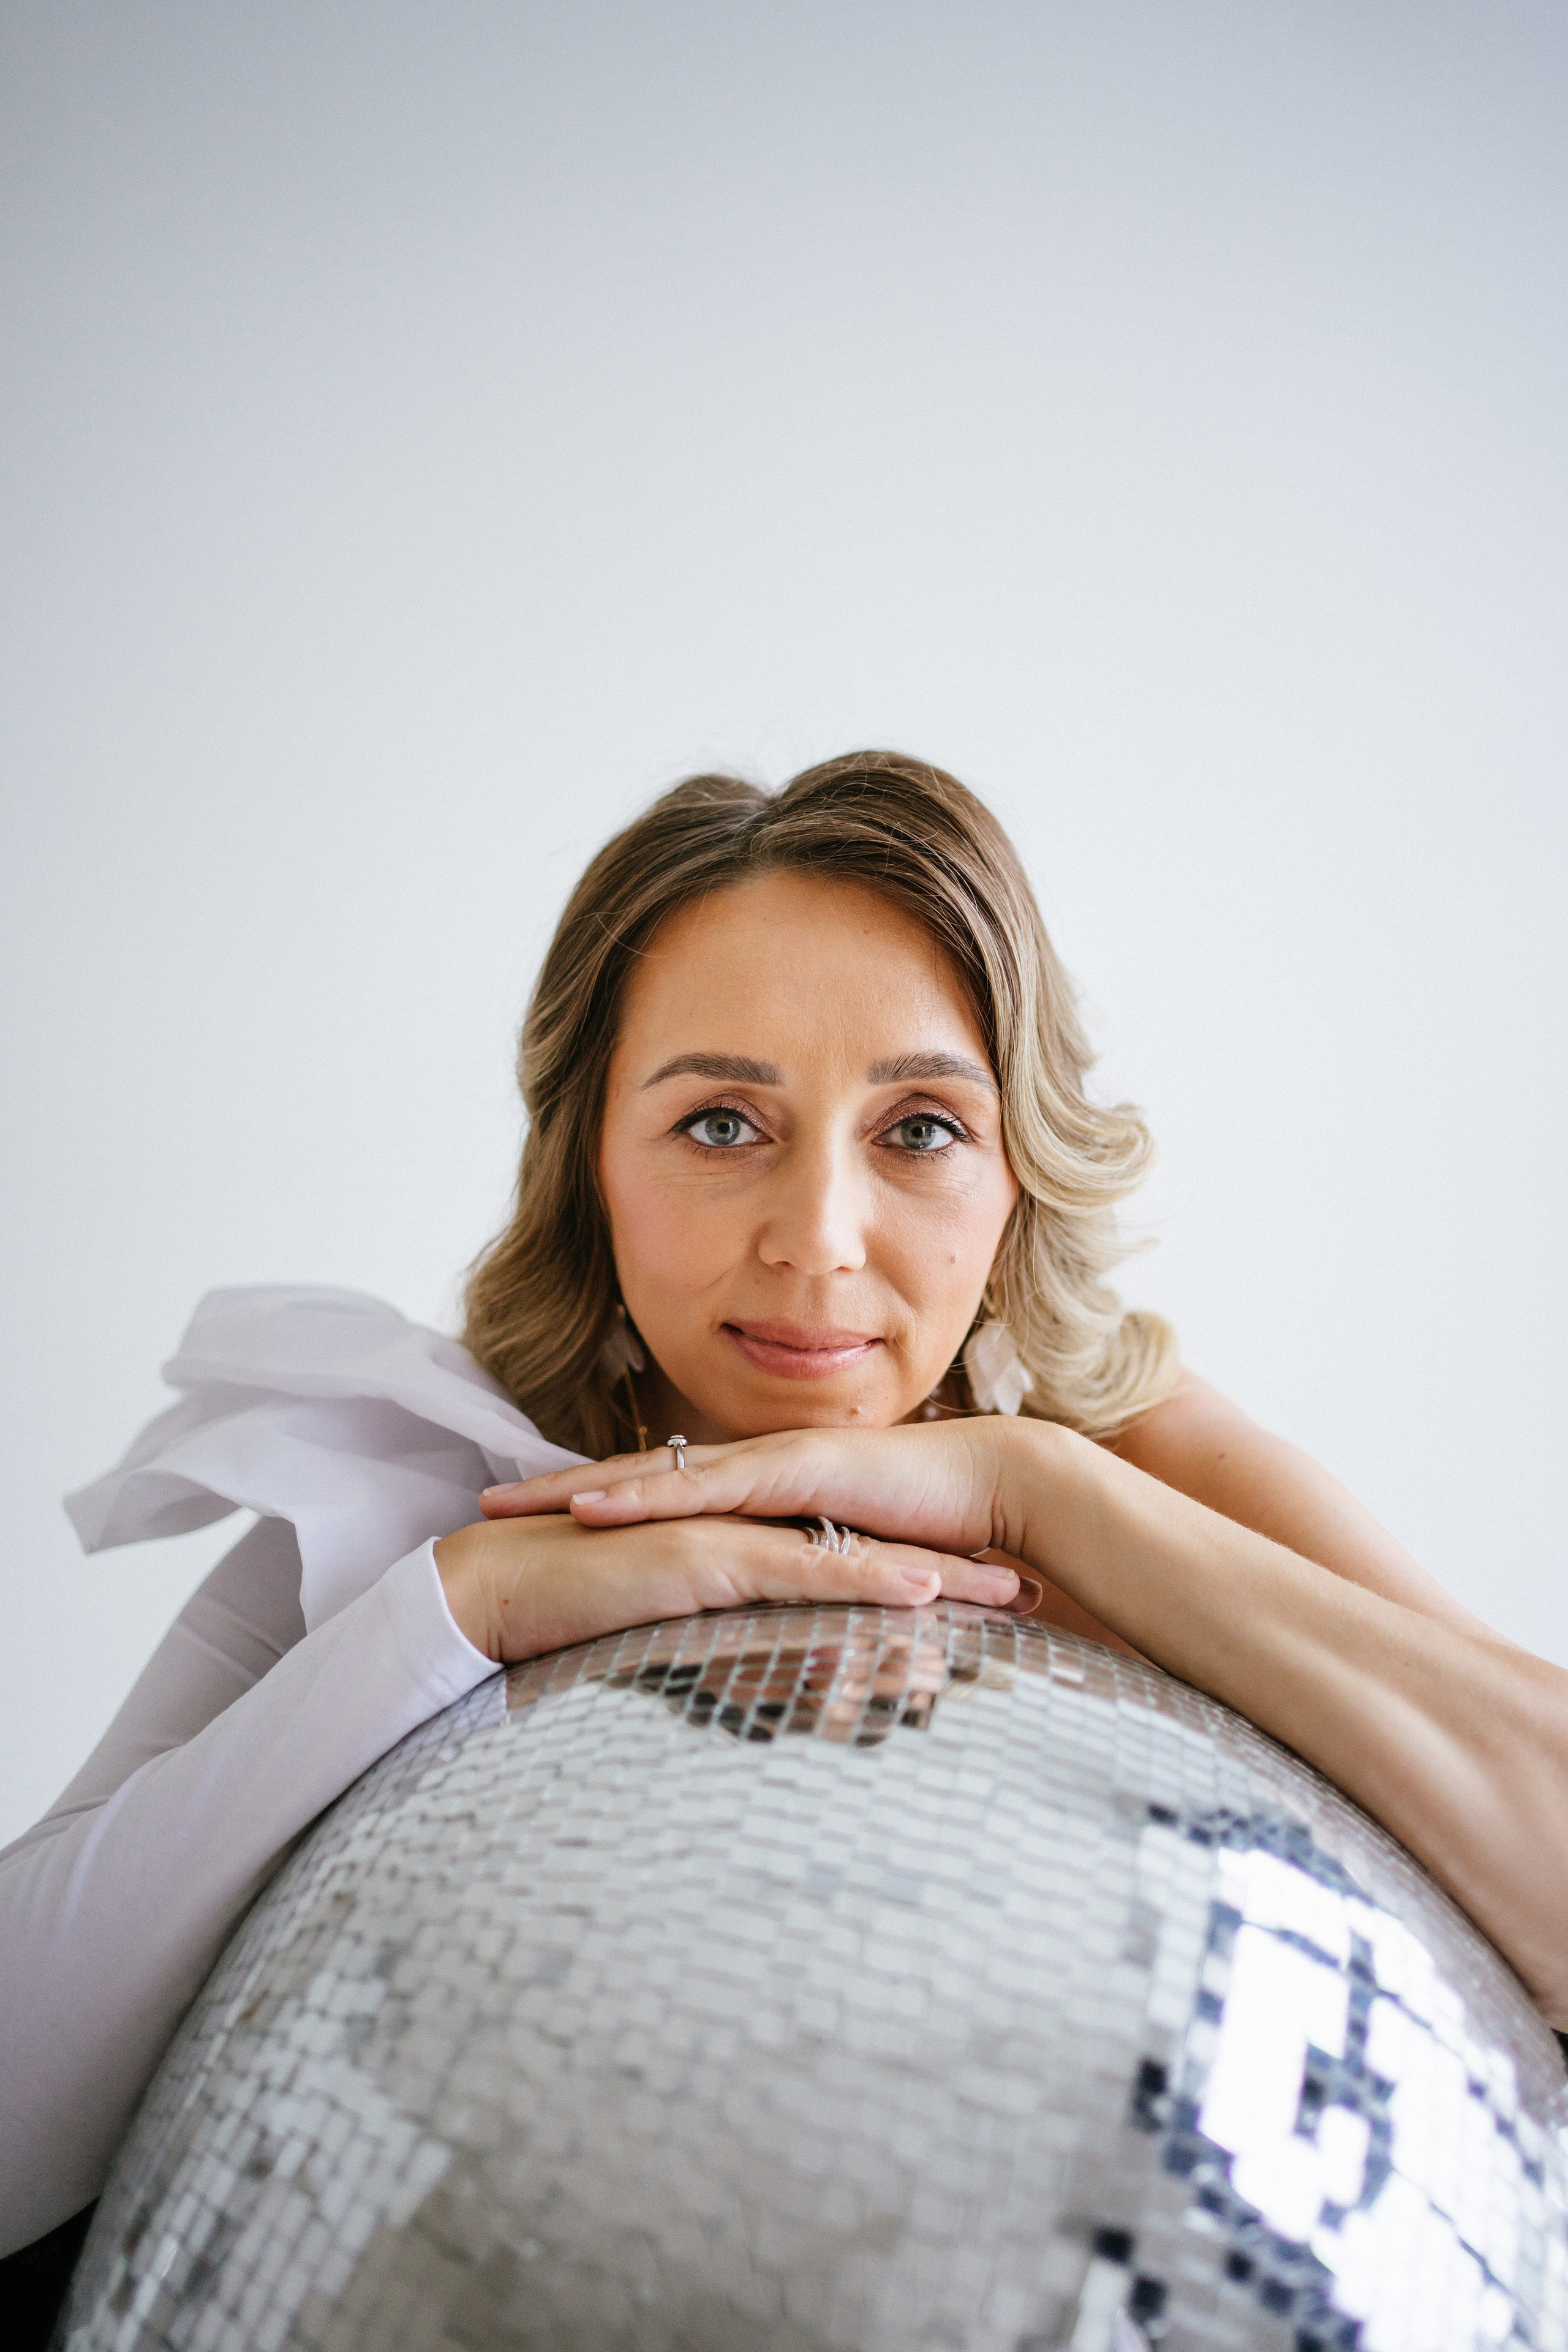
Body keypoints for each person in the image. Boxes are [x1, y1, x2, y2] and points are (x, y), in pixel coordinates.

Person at [4, 750, 1565, 2305]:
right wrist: (455, 1610)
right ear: (590, 1163)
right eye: (721, 1126)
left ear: (1016, 1166)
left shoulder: (1135, 1450)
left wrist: (1038, 1493)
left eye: (920, 1129)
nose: (817, 1240)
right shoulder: (417, 1485)